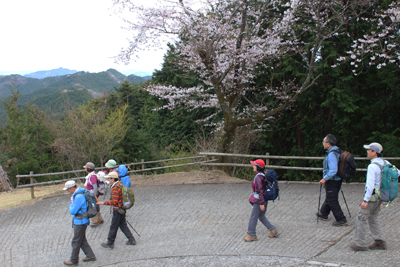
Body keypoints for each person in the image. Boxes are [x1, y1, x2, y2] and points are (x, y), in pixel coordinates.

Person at [350, 142, 399, 251]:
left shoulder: (372, 166)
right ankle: (379, 241)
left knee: (361, 217)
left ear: (374, 152)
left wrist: (365, 200)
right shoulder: (386, 163)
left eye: (369, 150)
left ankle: (360, 243)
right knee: (373, 217)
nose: (367, 152)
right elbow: (397, 172)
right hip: (381, 195)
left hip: (372, 197)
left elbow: (370, 185)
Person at [96, 171, 136, 248]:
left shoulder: (115, 188)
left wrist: (103, 203)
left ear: (112, 179)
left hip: (117, 210)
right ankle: (131, 239)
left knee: (113, 226)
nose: (107, 180)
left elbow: (114, 202)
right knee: (123, 225)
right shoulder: (120, 184)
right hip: (122, 208)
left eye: (108, 178)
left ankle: (110, 242)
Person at [316, 134, 348, 226]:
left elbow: (333, 170)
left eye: (324, 142)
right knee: (330, 196)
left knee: (332, 199)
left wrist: (324, 179)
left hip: (332, 180)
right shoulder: (338, 150)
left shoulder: (331, 154)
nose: (323, 144)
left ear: (328, 144)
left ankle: (341, 219)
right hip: (337, 179)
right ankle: (324, 213)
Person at [63, 180, 96, 265]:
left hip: (80, 221)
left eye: (68, 189)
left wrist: (70, 205)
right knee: (81, 240)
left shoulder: (78, 196)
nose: (67, 191)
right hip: (81, 221)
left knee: (76, 241)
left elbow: (73, 211)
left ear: (71, 188)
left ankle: (73, 260)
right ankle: (90, 255)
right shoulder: (80, 193)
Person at [244, 159, 278, 242]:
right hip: (263, 199)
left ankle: (251, 234)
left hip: (259, 201)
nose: (253, 166)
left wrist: (261, 203)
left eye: (254, 165)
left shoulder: (258, 177)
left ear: (258, 167)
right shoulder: (263, 175)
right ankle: (272, 229)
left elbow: (260, 191)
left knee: (253, 217)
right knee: (261, 216)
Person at [83, 162, 104, 227]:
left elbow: (95, 187)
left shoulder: (92, 176)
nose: (85, 169)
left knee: (92, 207)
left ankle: (95, 221)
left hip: (92, 194)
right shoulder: (91, 175)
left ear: (88, 169)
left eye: (86, 168)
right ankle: (100, 219)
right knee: (95, 206)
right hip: (90, 193)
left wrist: (93, 195)